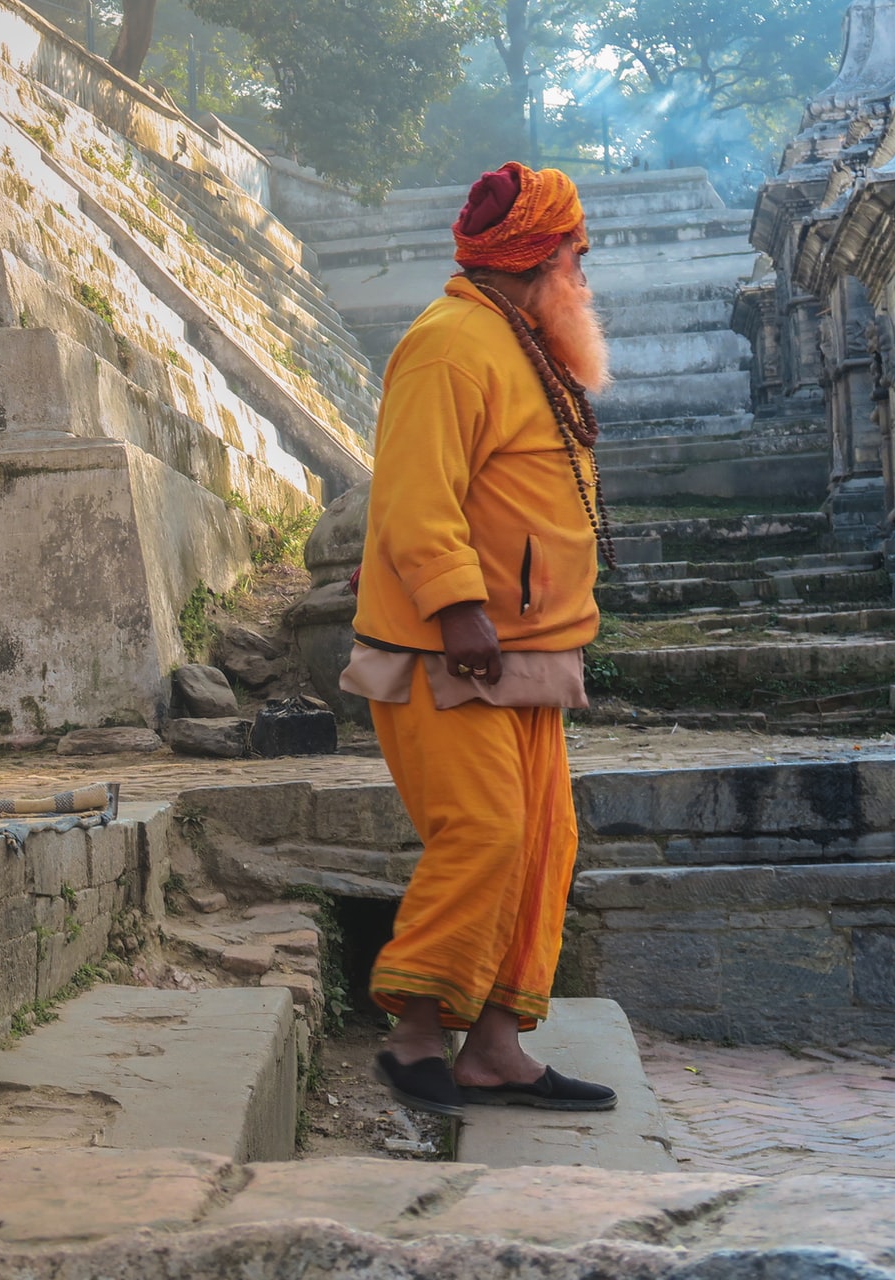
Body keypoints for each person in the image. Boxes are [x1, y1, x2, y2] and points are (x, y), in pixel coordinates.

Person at [342, 163, 618, 1115]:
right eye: (576, 249)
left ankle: (494, 1049)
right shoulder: (450, 343)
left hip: (527, 654)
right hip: (451, 652)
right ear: (538, 254)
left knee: (544, 844)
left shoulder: (515, 340)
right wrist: (460, 606)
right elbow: (415, 494)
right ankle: (417, 1030)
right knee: (489, 833)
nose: (586, 266)